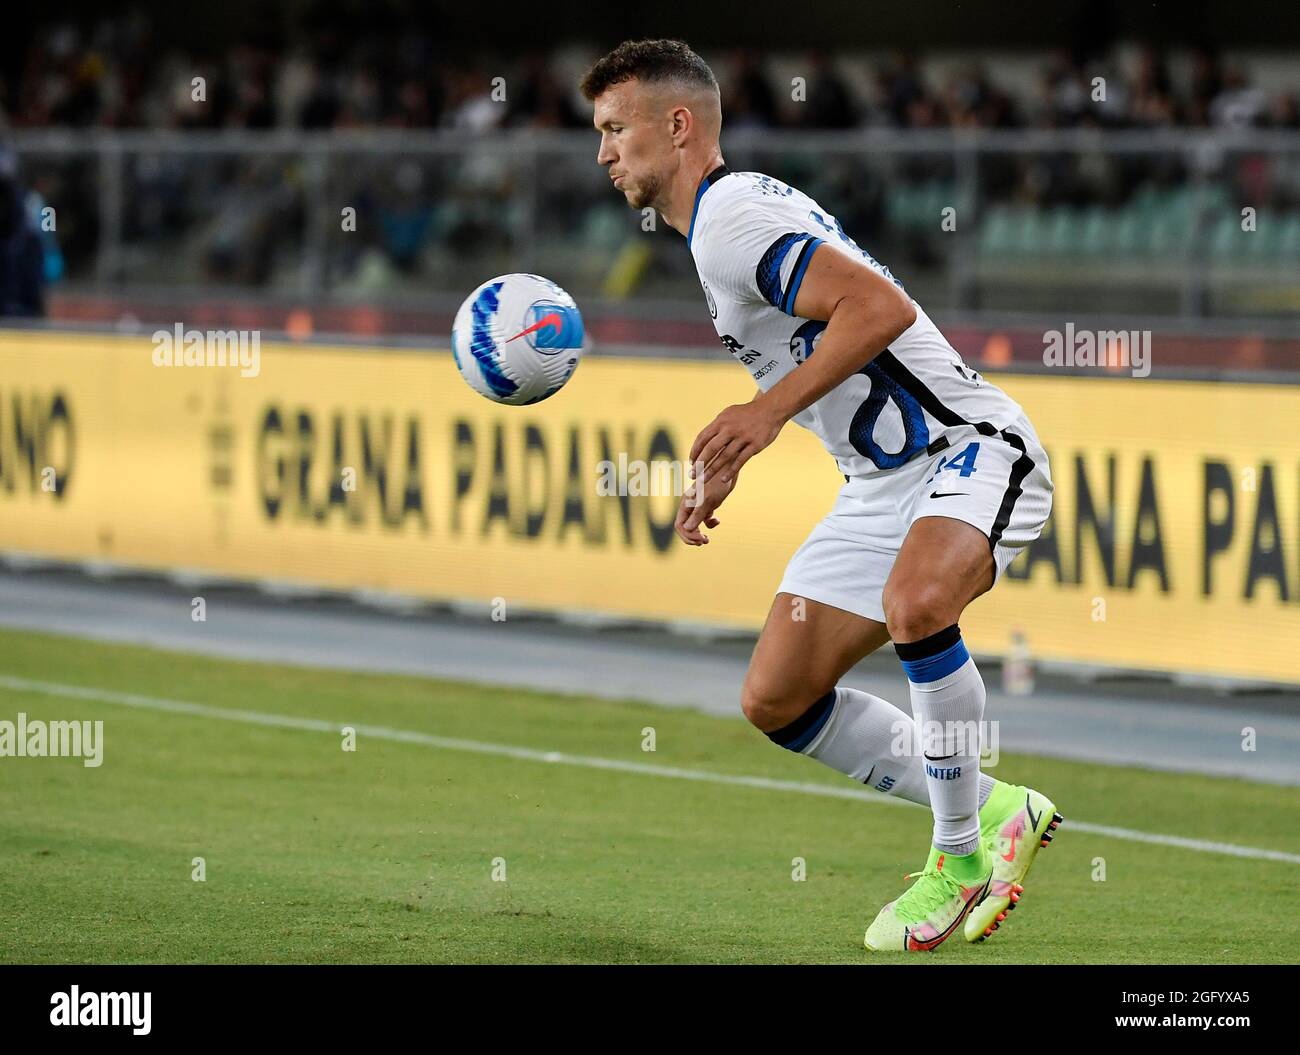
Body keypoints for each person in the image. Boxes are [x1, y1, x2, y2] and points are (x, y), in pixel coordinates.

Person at [580, 39, 1061, 952]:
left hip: (968, 446)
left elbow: (880, 309)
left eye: (615, 129)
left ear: (676, 126)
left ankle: (957, 859)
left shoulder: (730, 219)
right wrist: (741, 448)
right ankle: (996, 805)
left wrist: (762, 416)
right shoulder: (722, 226)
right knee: (778, 695)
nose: (603, 152)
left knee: (918, 603)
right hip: (881, 484)